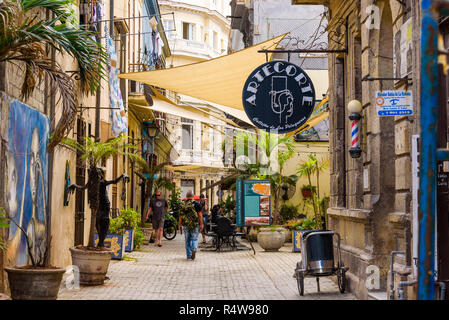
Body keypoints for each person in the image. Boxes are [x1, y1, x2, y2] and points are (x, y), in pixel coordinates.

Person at [70, 168, 129, 247]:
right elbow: (82, 188)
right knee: (98, 224)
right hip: (98, 206)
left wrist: (123, 176)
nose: (99, 176)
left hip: (105, 206)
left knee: (104, 222)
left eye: (100, 174)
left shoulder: (102, 182)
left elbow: (114, 181)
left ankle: (101, 242)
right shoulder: (91, 183)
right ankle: (101, 243)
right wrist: (74, 186)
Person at [178, 190, 203, 260]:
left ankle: (189, 255)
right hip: (195, 224)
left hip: (186, 224)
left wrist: (179, 224)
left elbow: (180, 215)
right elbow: (200, 215)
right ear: (193, 196)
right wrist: (201, 224)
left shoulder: (182, 204)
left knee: (187, 240)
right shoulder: (197, 204)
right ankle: (194, 249)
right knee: (194, 238)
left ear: (186, 196)